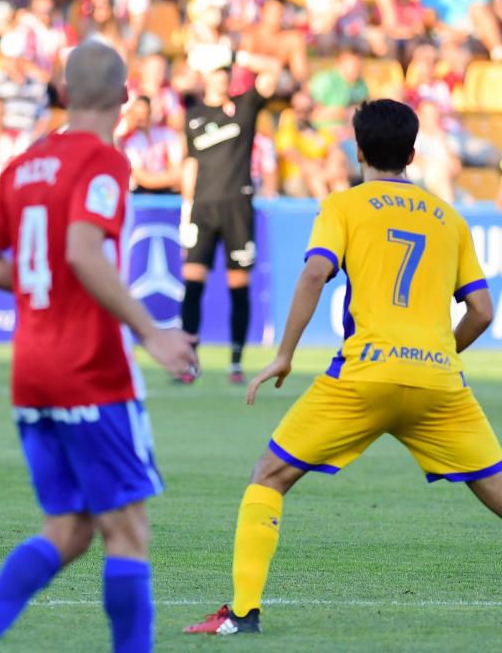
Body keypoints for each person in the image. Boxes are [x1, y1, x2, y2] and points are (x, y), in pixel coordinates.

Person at [184, 99, 502, 636]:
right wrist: (440, 353)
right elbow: (482, 312)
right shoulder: (449, 218)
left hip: (363, 376)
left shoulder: (344, 206)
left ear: (357, 150)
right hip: (438, 382)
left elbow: (314, 275)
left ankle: (241, 614)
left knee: (269, 475)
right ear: (412, 153)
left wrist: (284, 353)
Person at [0, 39, 199, 653]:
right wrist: (151, 330)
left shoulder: (26, 163)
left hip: (32, 372)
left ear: (63, 92)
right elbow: (83, 250)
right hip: (91, 366)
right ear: (123, 96)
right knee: (129, 531)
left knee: (71, 527)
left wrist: (38, 281)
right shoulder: (106, 161)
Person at [179, 46, 280, 384]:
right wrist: (186, 213)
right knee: (193, 282)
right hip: (203, 208)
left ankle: (236, 361)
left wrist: (242, 55)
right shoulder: (193, 115)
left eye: (225, 71)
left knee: (239, 284)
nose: (221, 77)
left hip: (237, 207)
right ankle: (189, 359)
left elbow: (273, 72)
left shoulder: (245, 107)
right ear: (205, 76)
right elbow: (191, 164)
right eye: (215, 71)